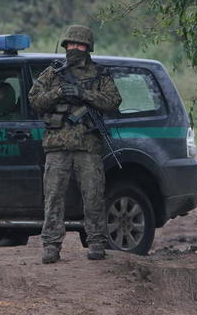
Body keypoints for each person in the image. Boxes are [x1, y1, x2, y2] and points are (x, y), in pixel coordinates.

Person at [28, 25, 122, 263]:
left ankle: (97, 242)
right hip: (57, 146)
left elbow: (113, 101)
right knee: (53, 197)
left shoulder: (100, 75)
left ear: (87, 48)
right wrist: (59, 92)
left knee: (93, 196)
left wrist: (83, 93)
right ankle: (51, 245)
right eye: (70, 45)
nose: (74, 49)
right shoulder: (53, 73)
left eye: (79, 45)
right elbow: (35, 100)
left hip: (87, 146)